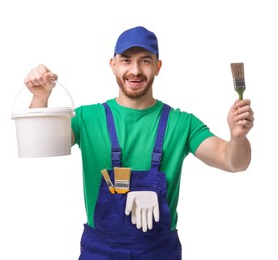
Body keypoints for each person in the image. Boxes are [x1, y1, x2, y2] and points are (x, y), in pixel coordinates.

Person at [24, 26, 254, 260]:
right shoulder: (86, 118)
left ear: (157, 66)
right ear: (113, 64)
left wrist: (238, 137)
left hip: (159, 251)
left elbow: (233, 162)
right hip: (100, 250)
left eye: (144, 61)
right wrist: (40, 97)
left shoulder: (182, 123)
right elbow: (39, 144)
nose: (135, 70)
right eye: (126, 60)